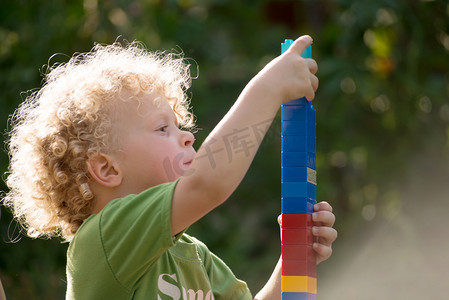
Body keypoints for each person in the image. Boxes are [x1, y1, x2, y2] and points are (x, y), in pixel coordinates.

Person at [4, 35, 337, 299]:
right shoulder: (104, 240)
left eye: (179, 126)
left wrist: (293, 258)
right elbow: (207, 184)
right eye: (163, 129)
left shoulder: (192, 255)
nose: (188, 137)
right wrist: (266, 89)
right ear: (107, 169)